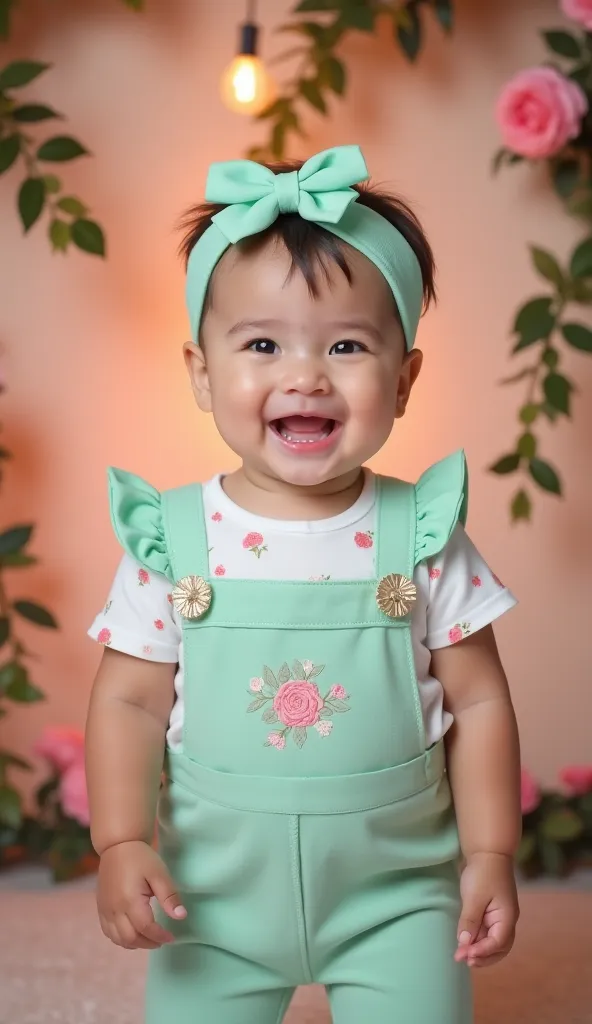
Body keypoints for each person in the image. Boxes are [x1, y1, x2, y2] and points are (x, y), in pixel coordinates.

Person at [86, 145, 521, 1024]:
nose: (305, 374)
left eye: (349, 344)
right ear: (203, 373)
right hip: (211, 906)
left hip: (396, 899)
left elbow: (478, 705)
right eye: (261, 344)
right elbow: (128, 704)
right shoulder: (173, 542)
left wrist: (490, 853)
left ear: (404, 379)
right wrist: (120, 839)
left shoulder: (424, 535)